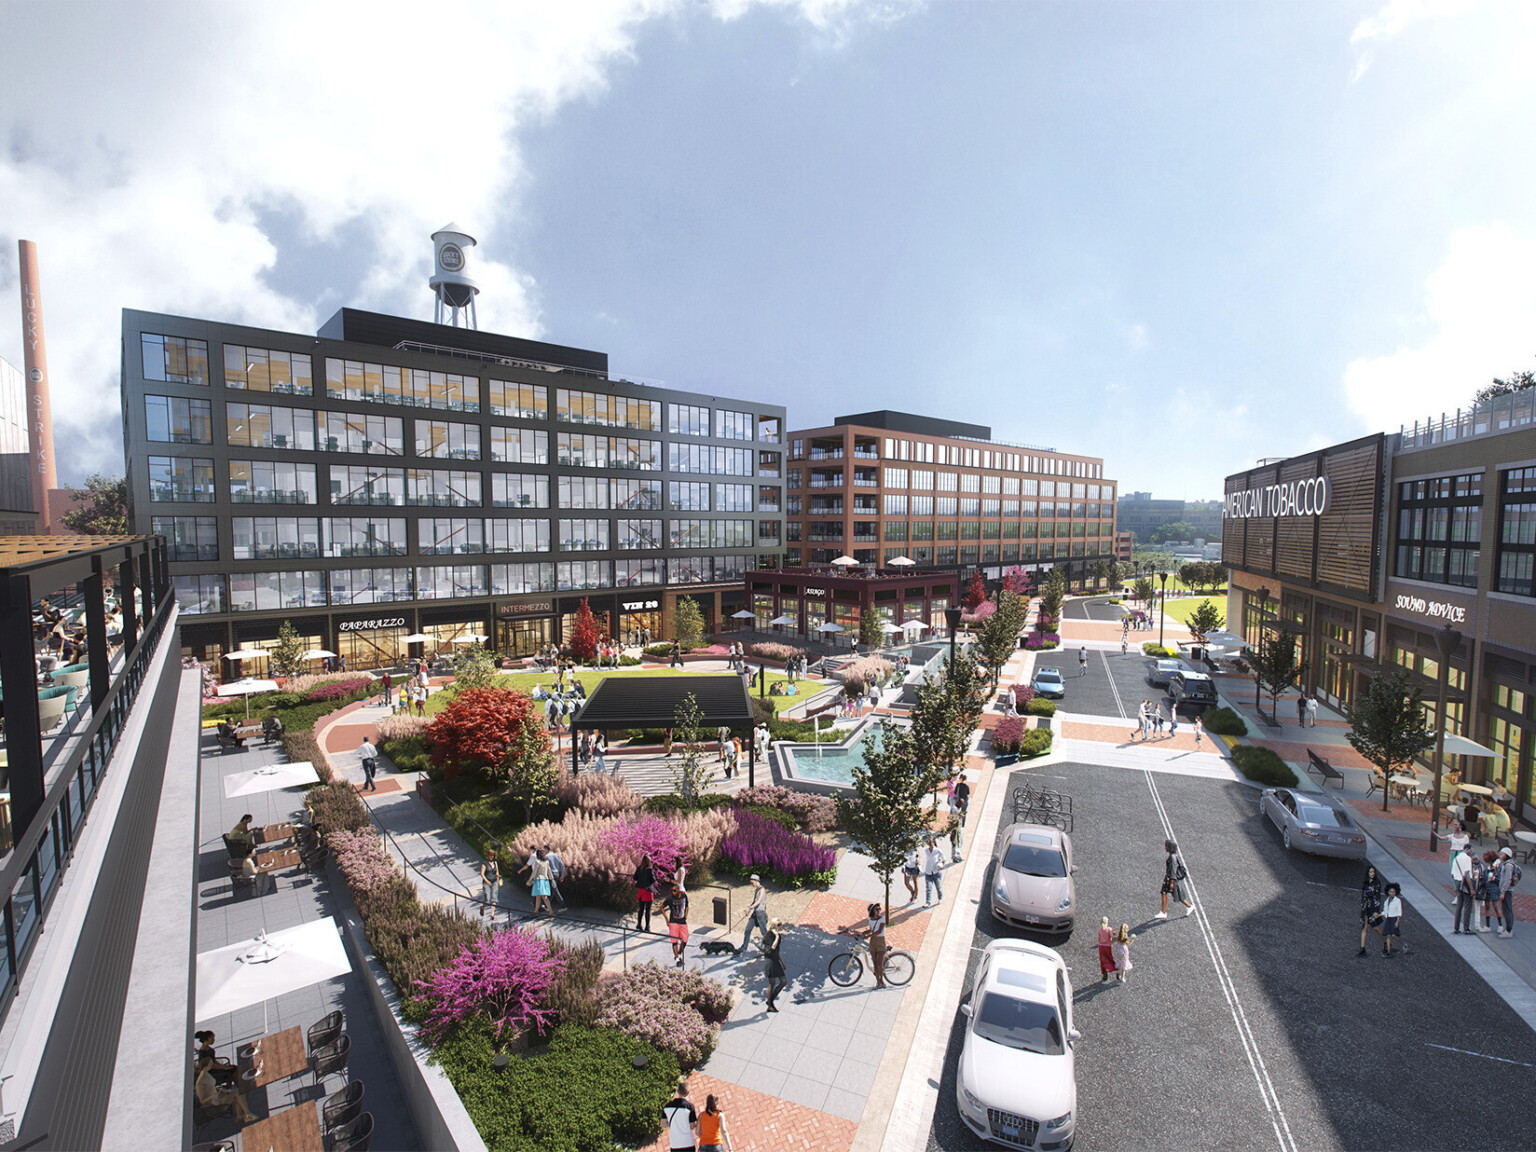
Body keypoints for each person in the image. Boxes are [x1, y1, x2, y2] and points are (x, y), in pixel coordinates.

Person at [194, 1051, 258, 1124]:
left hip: (218, 1095)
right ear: (206, 1066)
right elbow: (202, 1101)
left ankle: (240, 1116)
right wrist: (214, 1094)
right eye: (210, 1064)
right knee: (238, 1093)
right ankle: (247, 1114)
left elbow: (210, 1088)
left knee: (237, 1092)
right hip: (214, 1101)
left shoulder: (206, 1074)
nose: (212, 1066)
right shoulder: (200, 1082)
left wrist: (219, 1089)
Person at [1156, 838, 1193, 918]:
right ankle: (1163, 912)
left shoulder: (1172, 858)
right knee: (1164, 892)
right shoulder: (1173, 856)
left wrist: (1172, 882)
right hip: (1170, 879)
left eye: (1166, 846)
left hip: (1171, 879)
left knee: (1176, 894)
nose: (1165, 847)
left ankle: (1189, 906)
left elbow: (1173, 869)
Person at [662, 1080, 699, 1152]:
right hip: (688, 1143)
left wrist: (674, 1124)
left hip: (675, 1144)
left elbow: (663, 1124)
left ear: (677, 1091)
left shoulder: (667, 1106)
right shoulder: (690, 1107)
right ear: (688, 1092)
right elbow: (692, 1126)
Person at [1358, 866, 1385, 956]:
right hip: (1365, 908)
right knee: (1364, 927)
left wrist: (1376, 910)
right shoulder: (1366, 883)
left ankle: (1386, 942)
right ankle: (1363, 948)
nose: (1372, 874)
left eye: (1373, 872)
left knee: (1376, 927)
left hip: (1372, 908)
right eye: (1370, 872)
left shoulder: (1376, 883)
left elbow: (1377, 896)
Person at [739, 874, 768, 956]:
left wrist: (750, 908)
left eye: (752, 883)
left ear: (756, 881)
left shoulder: (762, 889)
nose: (752, 885)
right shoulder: (757, 890)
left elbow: (758, 902)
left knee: (764, 931)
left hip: (760, 913)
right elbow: (754, 902)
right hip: (755, 913)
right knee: (748, 930)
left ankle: (767, 948)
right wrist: (749, 909)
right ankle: (744, 947)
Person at [763, 918, 787, 1011]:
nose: (780, 926)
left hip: (776, 960)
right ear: (773, 926)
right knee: (772, 984)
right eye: (778, 925)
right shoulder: (769, 935)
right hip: (770, 961)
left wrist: (782, 963)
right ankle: (770, 1005)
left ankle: (770, 1000)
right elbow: (772, 947)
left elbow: (777, 950)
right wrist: (776, 937)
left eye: (781, 924)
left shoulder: (778, 935)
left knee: (783, 982)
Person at [665, 881, 690, 967]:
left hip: (682, 921)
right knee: (674, 941)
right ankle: (677, 958)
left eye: (674, 891)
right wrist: (667, 919)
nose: (673, 892)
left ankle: (679, 953)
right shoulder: (670, 899)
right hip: (673, 922)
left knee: (685, 939)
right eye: (672, 891)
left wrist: (686, 915)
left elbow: (687, 906)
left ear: (678, 891)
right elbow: (661, 907)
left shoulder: (684, 896)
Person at [1451, 847, 1477, 934]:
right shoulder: (1467, 859)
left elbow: (1452, 874)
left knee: (1459, 906)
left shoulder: (1456, 858)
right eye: (1471, 850)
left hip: (1458, 883)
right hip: (1466, 884)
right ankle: (1466, 928)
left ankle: (1456, 928)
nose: (1472, 852)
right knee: (1467, 906)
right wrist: (1472, 889)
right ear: (1468, 849)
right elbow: (1467, 874)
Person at [863, 902, 888, 988]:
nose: (878, 910)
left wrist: (868, 935)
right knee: (875, 963)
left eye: (879, 908)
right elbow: (871, 930)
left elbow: (879, 931)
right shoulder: (870, 920)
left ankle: (882, 980)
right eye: (876, 909)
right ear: (873, 911)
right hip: (873, 941)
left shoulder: (882, 919)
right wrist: (863, 933)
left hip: (880, 941)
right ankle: (878, 982)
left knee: (879, 963)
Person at [1478, 849, 1503, 934]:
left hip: (1494, 889)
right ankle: (1487, 926)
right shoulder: (1487, 868)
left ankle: (1500, 925)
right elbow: (1484, 877)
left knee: (1496, 907)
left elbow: (1500, 879)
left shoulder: (1498, 867)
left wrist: (1494, 879)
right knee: (1487, 907)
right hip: (1487, 888)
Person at [1496, 847, 1517, 938]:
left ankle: (1509, 930)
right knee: (1507, 909)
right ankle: (1508, 929)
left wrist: (1503, 891)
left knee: (1507, 910)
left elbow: (1507, 879)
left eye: (1502, 854)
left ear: (1506, 855)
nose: (1500, 856)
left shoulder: (1508, 865)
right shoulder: (1505, 864)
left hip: (1507, 891)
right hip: (1506, 890)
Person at [527, 848, 554, 916]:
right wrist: (552, 879)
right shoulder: (546, 862)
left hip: (539, 880)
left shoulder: (537, 862)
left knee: (542, 897)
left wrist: (530, 880)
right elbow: (549, 871)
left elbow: (535, 872)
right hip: (545, 880)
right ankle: (536, 910)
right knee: (539, 897)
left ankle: (550, 911)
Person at [1381, 882, 1406, 957]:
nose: (1392, 893)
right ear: (1388, 892)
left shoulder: (1397, 901)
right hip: (1388, 919)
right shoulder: (1386, 901)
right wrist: (1379, 915)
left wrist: (1397, 921)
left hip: (1394, 918)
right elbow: (1385, 911)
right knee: (1388, 935)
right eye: (1391, 892)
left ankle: (1403, 944)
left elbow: (1399, 912)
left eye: (1394, 892)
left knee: (1394, 935)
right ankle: (1388, 952)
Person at [923, 835, 947, 906]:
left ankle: (940, 898)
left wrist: (943, 866)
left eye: (931, 842)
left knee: (938, 887)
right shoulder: (926, 851)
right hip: (928, 872)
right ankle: (928, 902)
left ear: (934, 842)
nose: (929, 844)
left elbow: (944, 859)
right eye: (928, 842)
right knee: (928, 888)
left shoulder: (938, 851)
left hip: (936, 872)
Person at [634, 855, 656, 932]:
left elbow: (635, 878)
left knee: (641, 909)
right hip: (648, 891)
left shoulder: (639, 868)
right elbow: (653, 880)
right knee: (648, 910)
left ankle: (639, 924)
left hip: (641, 890)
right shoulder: (649, 870)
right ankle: (647, 926)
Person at [479, 849, 501, 921]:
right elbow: (482, 874)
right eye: (490, 855)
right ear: (487, 855)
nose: (491, 857)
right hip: (487, 881)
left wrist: (498, 876)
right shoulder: (484, 863)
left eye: (492, 855)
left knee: (494, 898)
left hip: (494, 881)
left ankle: (492, 915)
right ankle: (482, 907)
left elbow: (497, 872)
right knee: (487, 899)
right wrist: (487, 881)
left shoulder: (495, 863)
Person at [545, 844, 567, 908]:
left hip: (550, 874)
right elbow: (562, 865)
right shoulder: (556, 855)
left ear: (547, 849)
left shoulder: (546, 857)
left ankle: (563, 905)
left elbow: (546, 867)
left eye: (544, 849)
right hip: (557, 874)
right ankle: (547, 906)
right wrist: (562, 875)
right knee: (552, 890)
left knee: (555, 890)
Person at [1097, 917, 1116, 982]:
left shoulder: (1099, 930)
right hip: (1108, 946)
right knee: (1110, 958)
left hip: (1101, 946)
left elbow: (1099, 939)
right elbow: (1112, 937)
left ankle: (1105, 974)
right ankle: (1114, 969)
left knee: (1103, 960)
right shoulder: (1109, 929)